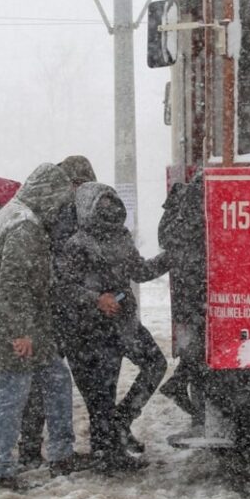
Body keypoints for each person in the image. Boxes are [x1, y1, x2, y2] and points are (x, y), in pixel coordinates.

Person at [0, 163, 90, 490]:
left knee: (55, 380)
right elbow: (13, 282)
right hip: (20, 327)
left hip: (30, 325)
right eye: (58, 198)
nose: (60, 208)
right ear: (47, 192)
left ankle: (61, 452)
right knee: (13, 394)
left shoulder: (14, 213)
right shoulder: (24, 225)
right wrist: (20, 332)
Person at [55, 181, 170, 472]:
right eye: (103, 208)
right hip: (88, 331)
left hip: (124, 323)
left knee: (155, 363)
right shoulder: (76, 245)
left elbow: (139, 271)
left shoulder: (121, 236)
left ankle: (121, 421)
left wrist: (170, 258)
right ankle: (107, 454)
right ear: (87, 210)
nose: (109, 214)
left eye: (113, 207)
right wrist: (96, 299)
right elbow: (63, 289)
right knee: (100, 395)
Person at [18, 154, 94, 468]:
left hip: (56, 308)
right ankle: (50, 452)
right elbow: (61, 267)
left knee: (47, 382)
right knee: (50, 381)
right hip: (56, 310)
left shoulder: (51, 212)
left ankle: (34, 449)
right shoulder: (63, 215)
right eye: (81, 184)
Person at [157, 173, 208, 426]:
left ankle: (181, 385)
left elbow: (168, 240)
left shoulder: (183, 200)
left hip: (187, 285)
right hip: (198, 284)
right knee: (203, 345)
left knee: (197, 344)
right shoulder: (200, 196)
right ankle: (184, 390)